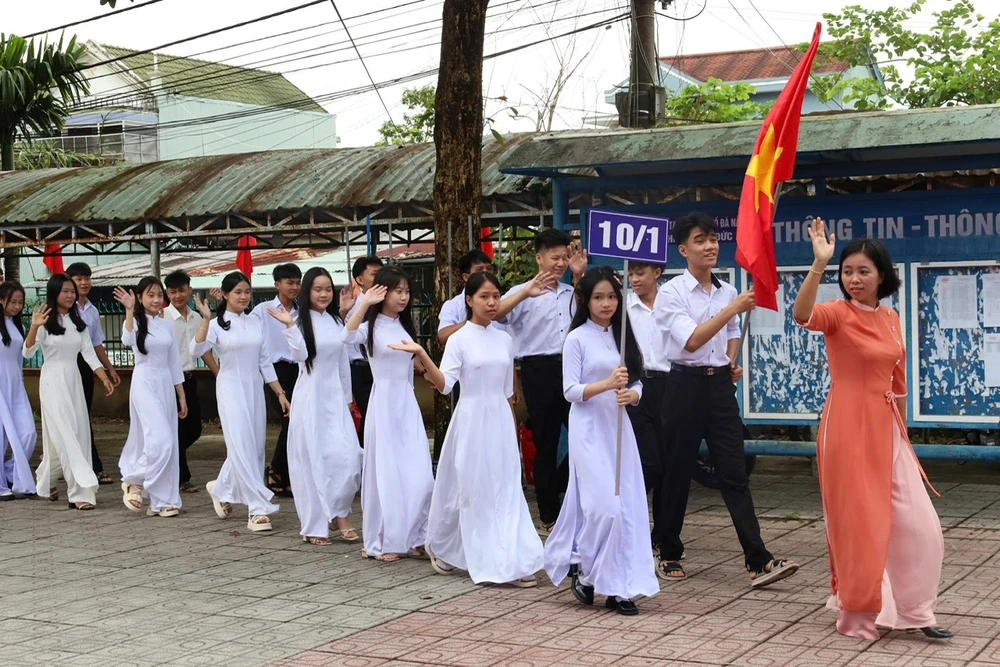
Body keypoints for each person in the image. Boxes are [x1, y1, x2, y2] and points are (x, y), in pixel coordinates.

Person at [792, 220, 952, 641]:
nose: (853, 279)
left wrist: (906, 436)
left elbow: (897, 384)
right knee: (860, 522)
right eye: (847, 271)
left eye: (863, 271)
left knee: (918, 523)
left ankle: (915, 610)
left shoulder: (891, 317)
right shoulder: (837, 314)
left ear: (882, 274)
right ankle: (858, 613)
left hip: (888, 428)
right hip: (846, 426)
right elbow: (802, 314)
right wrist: (818, 264)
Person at [653, 212, 798, 587]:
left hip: (719, 388)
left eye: (714, 238)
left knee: (734, 472)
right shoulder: (672, 292)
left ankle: (759, 558)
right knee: (677, 471)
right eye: (700, 240)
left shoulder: (727, 289)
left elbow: (732, 331)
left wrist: (731, 357)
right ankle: (667, 550)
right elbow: (693, 340)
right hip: (683, 386)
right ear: (683, 249)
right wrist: (731, 310)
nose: (711, 245)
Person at [544, 267, 658, 616]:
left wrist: (632, 395)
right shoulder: (576, 338)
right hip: (588, 430)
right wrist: (606, 385)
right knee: (604, 509)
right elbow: (570, 391)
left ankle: (617, 586)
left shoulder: (623, 334)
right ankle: (586, 568)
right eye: (598, 297)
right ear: (584, 300)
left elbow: (637, 380)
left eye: (611, 296)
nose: (606, 303)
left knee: (626, 508)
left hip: (618, 429)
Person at [424, 271, 544, 587]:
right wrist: (423, 358)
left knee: (505, 489)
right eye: (484, 297)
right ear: (469, 300)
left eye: (495, 296)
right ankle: (448, 547)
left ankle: (512, 558)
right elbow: (446, 386)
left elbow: (507, 390)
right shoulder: (459, 339)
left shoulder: (505, 339)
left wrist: (511, 428)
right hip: (470, 419)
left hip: (500, 422)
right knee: (468, 487)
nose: (491, 303)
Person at [494, 229, 588, 534]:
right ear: (539, 258)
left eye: (565, 257)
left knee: (584, 437)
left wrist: (578, 276)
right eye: (555, 257)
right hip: (539, 369)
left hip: (572, 368)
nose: (560, 262)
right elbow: (496, 314)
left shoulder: (570, 290)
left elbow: (586, 317)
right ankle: (549, 513)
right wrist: (525, 292)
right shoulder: (522, 292)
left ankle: (564, 487)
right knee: (546, 443)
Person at [342, 265, 438, 562]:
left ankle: (416, 535)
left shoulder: (403, 326)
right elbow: (346, 337)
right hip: (383, 402)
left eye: (407, 292)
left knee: (419, 472)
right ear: (382, 292)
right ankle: (382, 540)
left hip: (406, 403)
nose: (404, 297)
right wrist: (364, 303)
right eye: (398, 291)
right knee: (385, 473)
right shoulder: (371, 326)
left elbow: (413, 364)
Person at [269, 267, 361, 546]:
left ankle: (338, 512)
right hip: (311, 397)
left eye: (327, 289)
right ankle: (316, 524)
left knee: (348, 457)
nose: (323, 294)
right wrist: (288, 326)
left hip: (335, 399)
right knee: (312, 462)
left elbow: (343, 362)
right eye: (317, 289)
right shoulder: (297, 320)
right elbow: (301, 355)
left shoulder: (335, 321)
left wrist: (348, 400)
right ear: (308, 292)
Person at [191, 271, 290, 533]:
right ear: (224, 294)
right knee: (241, 444)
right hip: (230, 387)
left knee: (255, 446)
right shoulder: (215, 324)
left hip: (254, 388)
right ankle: (257, 509)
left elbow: (265, 361)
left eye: (247, 291)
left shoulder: (255, 322)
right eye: (238, 292)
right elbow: (196, 350)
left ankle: (221, 487)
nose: (244, 296)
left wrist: (280, 393)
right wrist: (205, 319)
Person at [24, 274, 115, 510]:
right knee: (67, 434)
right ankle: (80, 492)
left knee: (74, 434)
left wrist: (104, 376)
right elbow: (27, 352)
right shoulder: (44, 320)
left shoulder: (78, 323)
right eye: (65, 291)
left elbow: (89, 353)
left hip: (73, 379)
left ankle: (47, 480)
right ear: (54, 293)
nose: (70, 295)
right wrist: (34, 327)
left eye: (72, 291)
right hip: (52, 381)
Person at [113, 279, 188, 518]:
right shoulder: (134, 321)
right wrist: (128, 309)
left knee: (168, 442)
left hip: (165, 383)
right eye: (150, 295)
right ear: (140, 297)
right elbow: (126, 340)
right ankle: (134, 481)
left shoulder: (166, 326)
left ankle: (163, 500)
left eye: (159, 295)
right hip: (144, 382)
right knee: (160, 439)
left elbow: (174, 362)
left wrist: (181, 395)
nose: (156, 300)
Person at [164, 270, 220, 494]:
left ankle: (167, 457)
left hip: (189, 379)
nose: (177, 295)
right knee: (177, 429)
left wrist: (217, 372)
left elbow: (203, 349)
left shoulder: (197, 317)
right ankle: (181, 478)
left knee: (194, 429)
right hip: (169, 381)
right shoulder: (162, 317)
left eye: (181, 290)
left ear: (189, 290)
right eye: (172, 291)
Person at [66, 262, 121, 485]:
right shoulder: (62, 309)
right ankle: (91, 466)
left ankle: (86, 464)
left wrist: (109, 368)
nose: (84, 282)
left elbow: (96, 344)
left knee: (82, 415)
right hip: (66, 364)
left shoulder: (93, 310)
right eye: (78, 278)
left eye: (87, 278)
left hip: (87, 366)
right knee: (69, 416)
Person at [249, 263, 302, 497]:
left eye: (298, 282)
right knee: (289, 421)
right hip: (273, 372)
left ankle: (287, 474)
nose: (295, 287)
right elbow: (249, 335)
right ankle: (276, 470)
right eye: (289, 282)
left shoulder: (303, 311)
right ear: (277, 284)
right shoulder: (263, 310)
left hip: (299, 370)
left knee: (298, 424)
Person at [625, 261, 669, 500]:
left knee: (668, 462)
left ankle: (663, 534)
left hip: (669, 384)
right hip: (636, 385)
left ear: (657, 273)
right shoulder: (624, 309)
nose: (634, 279)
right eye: (631, 274)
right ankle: (628, 514)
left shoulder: (671, 305)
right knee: (649, 462)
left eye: (640, 273)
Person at [0, 282, 36, 500]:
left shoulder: (19, 326)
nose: (16, 306)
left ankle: (11, 473)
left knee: (28, 432)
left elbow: (20, 358)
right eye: (12, 302)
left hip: (15, 385)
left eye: (20, 303)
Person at [344, 256, 384, 447]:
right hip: (362, 369)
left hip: (382, 369)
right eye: (374, 274)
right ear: (360, 279)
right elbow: (346, 337)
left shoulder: (385, 303)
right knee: (369, 417)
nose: (380, 278)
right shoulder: (354, 306)